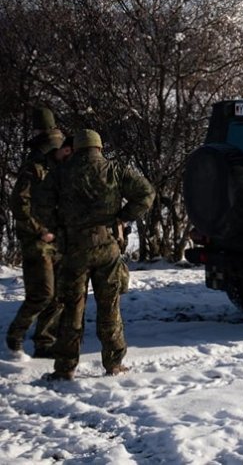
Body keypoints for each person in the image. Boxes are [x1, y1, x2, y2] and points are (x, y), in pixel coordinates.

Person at [46, 129, 154, 381]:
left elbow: (40, 206)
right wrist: (122, 217)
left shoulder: (61, 173)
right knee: (110, 307)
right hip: (107, 248)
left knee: (71, 309)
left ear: (77, 148)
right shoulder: (115, 170)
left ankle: (65, 367)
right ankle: (113, 363)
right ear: (99, 147)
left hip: (74, 251)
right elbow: (146, 194)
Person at [6, 108, 68, 357]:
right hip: (37, 239)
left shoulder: (58, 165)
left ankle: (45, 342)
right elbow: (18, 203)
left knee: (59, 295)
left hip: (57, 236)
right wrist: (38, 230)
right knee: (43, 293)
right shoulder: (34, 166)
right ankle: (16, 335)